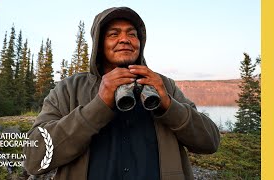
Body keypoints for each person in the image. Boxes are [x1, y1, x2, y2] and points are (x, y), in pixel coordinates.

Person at [24, 6, 220, 180]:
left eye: (132, 34)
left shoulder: (163, 85)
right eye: (113, 34)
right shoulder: (70, 89)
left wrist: (169, 105)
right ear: (99, 45)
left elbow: (210, 142)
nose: (124, 39)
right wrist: (98, 106)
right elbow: (33, 158)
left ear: (140, 42)